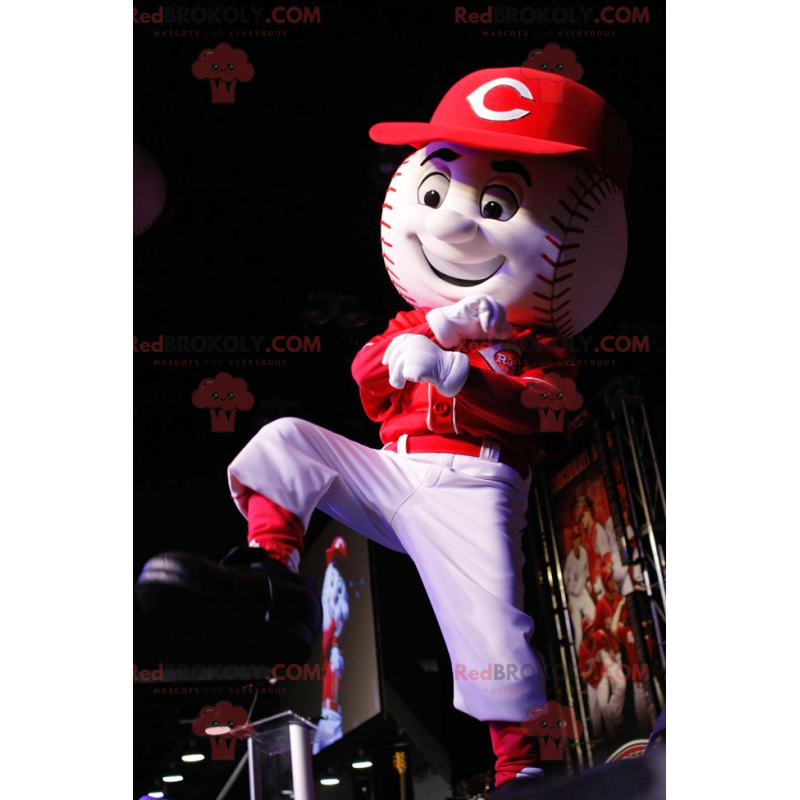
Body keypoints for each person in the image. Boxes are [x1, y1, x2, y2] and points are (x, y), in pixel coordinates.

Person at [137, 66, 630, 793]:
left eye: (496, 204)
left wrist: (463, 373)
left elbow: (549, 411)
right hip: (394, 469)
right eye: (435, 194)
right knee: (287, 439)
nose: (452, 224)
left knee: (493, 631)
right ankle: (272, 576)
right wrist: (432, 330)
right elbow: (368, 379)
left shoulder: (539, 347)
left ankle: (522, 769)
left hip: (476, 485)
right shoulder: (417, 319)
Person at [563, 528, 595, 648]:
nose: (577, 540)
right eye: (575, 539)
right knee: (579, 634)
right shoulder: (570, 560)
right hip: (574, 598)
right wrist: (568, 601)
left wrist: (588, 582)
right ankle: (580, 659)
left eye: (578, 537)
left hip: (582, 593)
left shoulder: (584, 552)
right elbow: (564, 583)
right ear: (572, 542)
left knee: (595, 618)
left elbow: (586, 570)